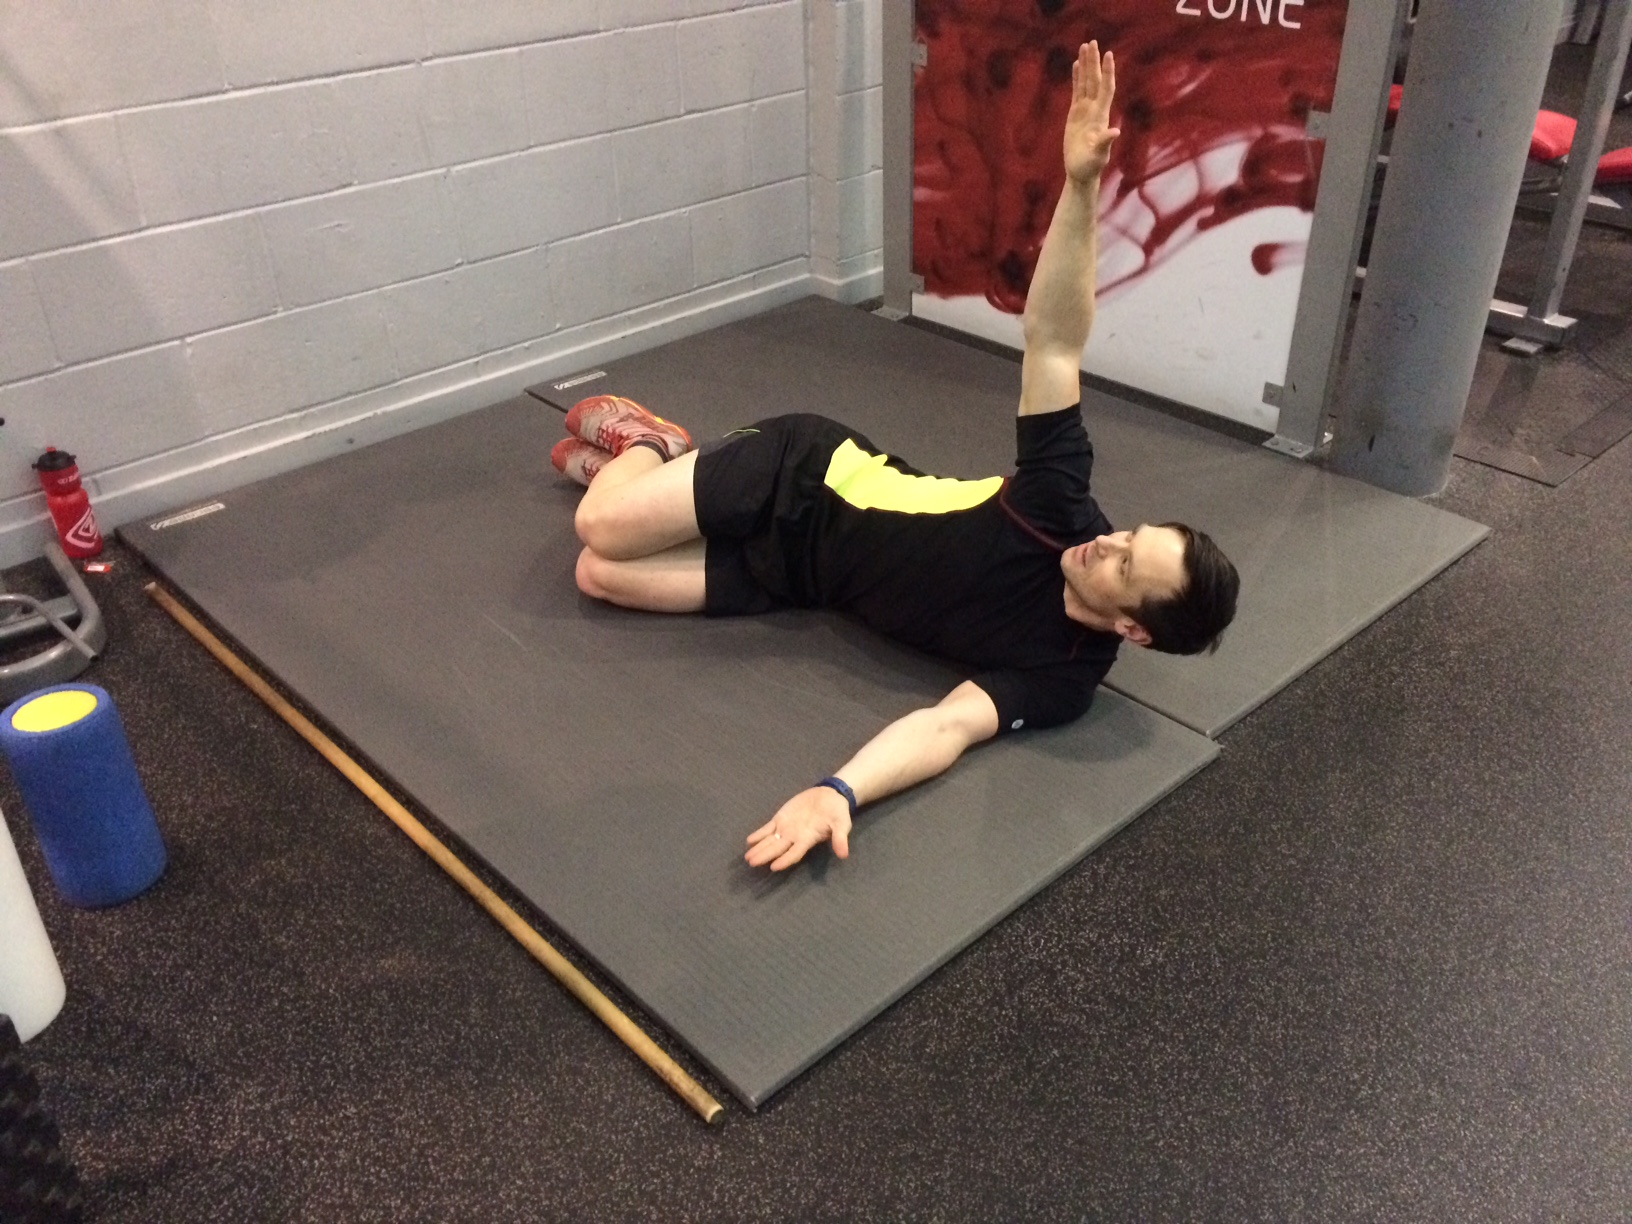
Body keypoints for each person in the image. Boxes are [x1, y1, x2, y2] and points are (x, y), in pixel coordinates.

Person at [548, 43, 1238, 872]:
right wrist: (1082, 186)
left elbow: (948, 725)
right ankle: (651, 442)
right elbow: (1055, 341)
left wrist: (838, 792)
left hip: (797, 577)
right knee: (600, 527)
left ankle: (655, 476)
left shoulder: (1063, 676)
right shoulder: (1059, 502)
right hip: (808, 473)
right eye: (1132, 535)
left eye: (1126, 565)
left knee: (599, 575)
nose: (1108, 542)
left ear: (1132, 629)